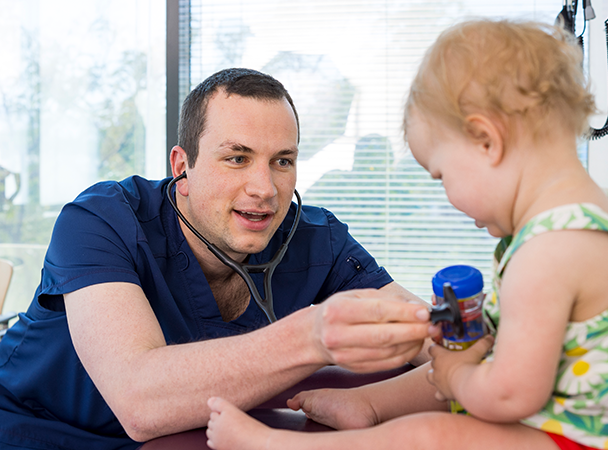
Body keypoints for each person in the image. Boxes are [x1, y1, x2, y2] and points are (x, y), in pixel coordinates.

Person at [204, 20, 608, 450]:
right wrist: (468, 346)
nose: (446, 196)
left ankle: (271, 443)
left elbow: (511, 395)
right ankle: (368, 405)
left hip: (605, 440)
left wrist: (457, 374)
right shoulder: (587, 213)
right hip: (598, 428)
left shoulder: (550, 251)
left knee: (433, 432)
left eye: (442, 174)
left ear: (486, 140)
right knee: (459, 361)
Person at [0, 68, 436, 449]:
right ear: (182, 167)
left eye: (282, 161)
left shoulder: (317, 239)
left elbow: (431, 333)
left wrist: (480, 348)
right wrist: (311, 336)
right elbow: (139, 401)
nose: (264, 188)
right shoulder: (102, 219)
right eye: (237, 158)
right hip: (33, 432)